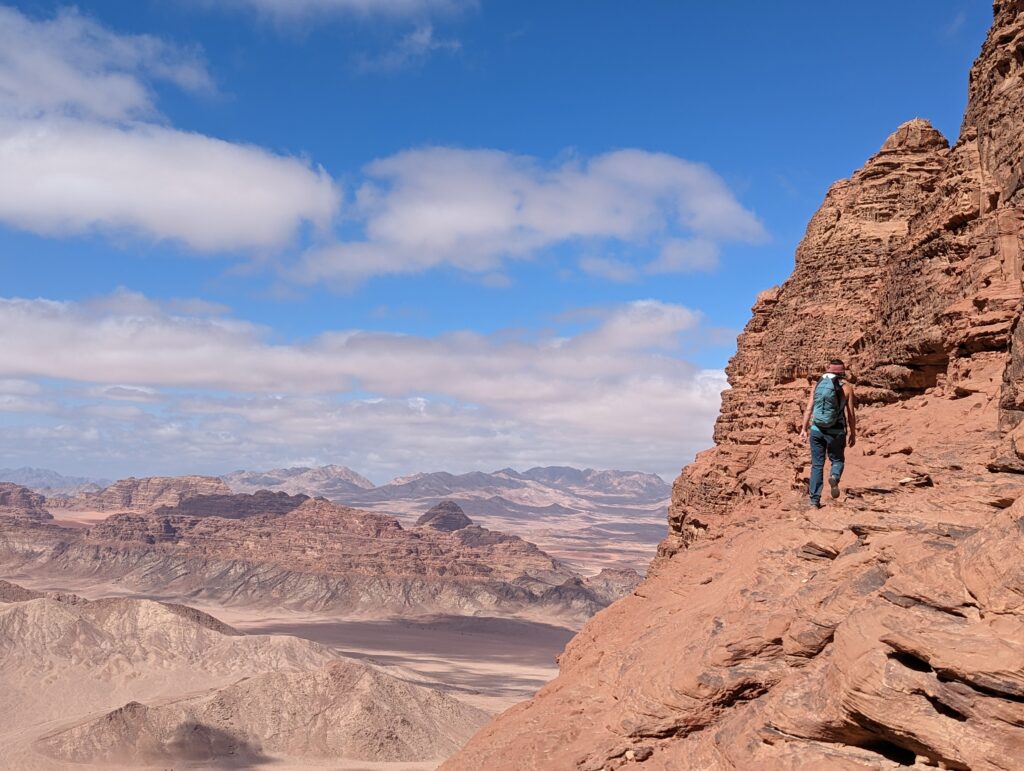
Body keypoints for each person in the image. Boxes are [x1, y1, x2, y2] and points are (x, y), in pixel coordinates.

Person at [799, 359, 856, 508]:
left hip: (817, 430)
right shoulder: (847, 387)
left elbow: (809, 409)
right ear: (842, 371)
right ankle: (834, 476)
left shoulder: (817, 385)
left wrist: (804, 429)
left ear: (828, 369)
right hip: (836, 431)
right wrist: (853, 433)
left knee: (817, 465)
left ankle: (814, 501)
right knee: (837, 460)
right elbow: (850, 414)